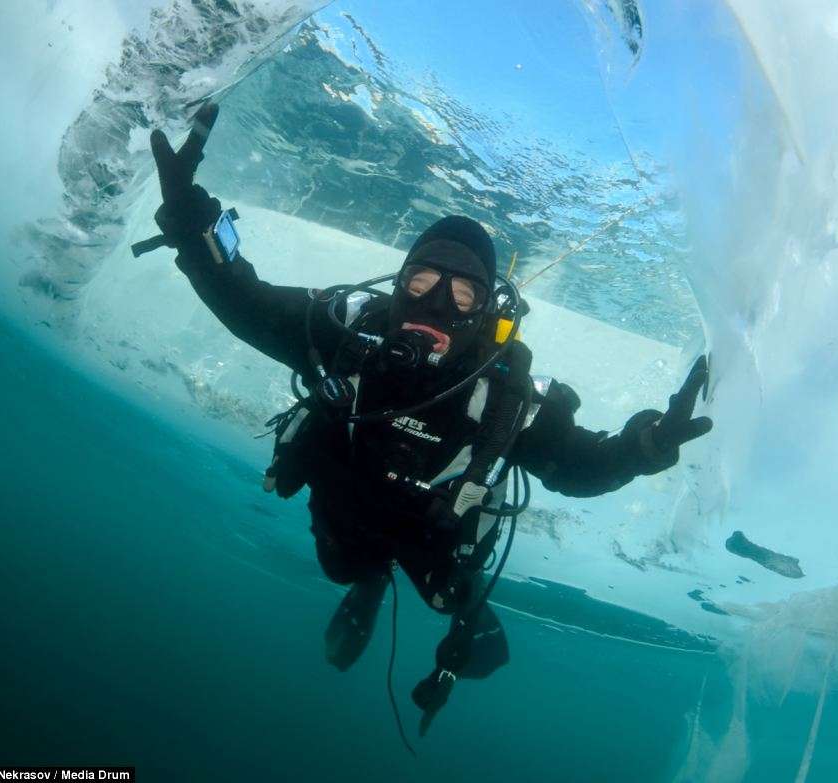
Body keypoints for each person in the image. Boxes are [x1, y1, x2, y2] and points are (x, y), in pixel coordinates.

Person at [143, 103, 713, 733]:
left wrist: (648, 444)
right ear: (397, 283)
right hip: (346, 514)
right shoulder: (347, 333)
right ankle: (366, 587)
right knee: (342, 567)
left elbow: (579, 467)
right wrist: (191, 223)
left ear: (487, 314)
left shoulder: (503, 395)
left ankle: (406, 595)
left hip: (436, 542)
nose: (438, 305)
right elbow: (243, 302)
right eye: (422, 282)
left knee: (464, 618)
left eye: (463, 294)